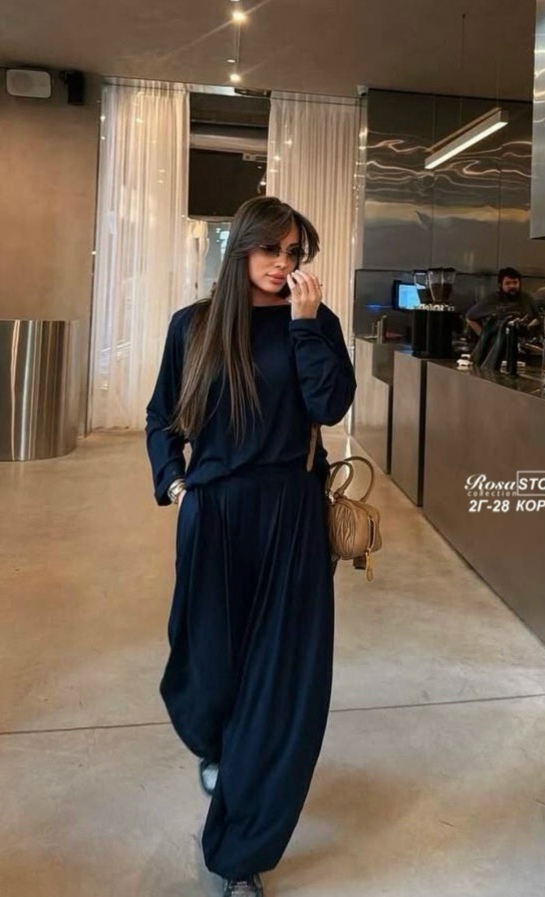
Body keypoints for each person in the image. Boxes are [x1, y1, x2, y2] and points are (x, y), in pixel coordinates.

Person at [145, 196, 356, 897]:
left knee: (282, 684)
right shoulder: (195, 326)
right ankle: (219, 745)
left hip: (291, 516)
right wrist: (176, 484)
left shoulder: (315, 321)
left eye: (295, 253)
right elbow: (161, 416)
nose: (282, 264)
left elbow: (329, 405)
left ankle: (240, 854)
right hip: (214, 513)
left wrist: (304, 325)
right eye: (271, 249)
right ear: (241, 249)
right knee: (205, 667)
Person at [465, 267, 539, 336]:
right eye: (508, 283)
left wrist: (529, 326)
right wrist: (484, 337)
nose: (512, 286)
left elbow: (537, 318)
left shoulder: (527, 298)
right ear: (500, 285)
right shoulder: (492, 300)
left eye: (515, 282)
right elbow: (470, 317)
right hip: (500, 342)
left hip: (523, 341)